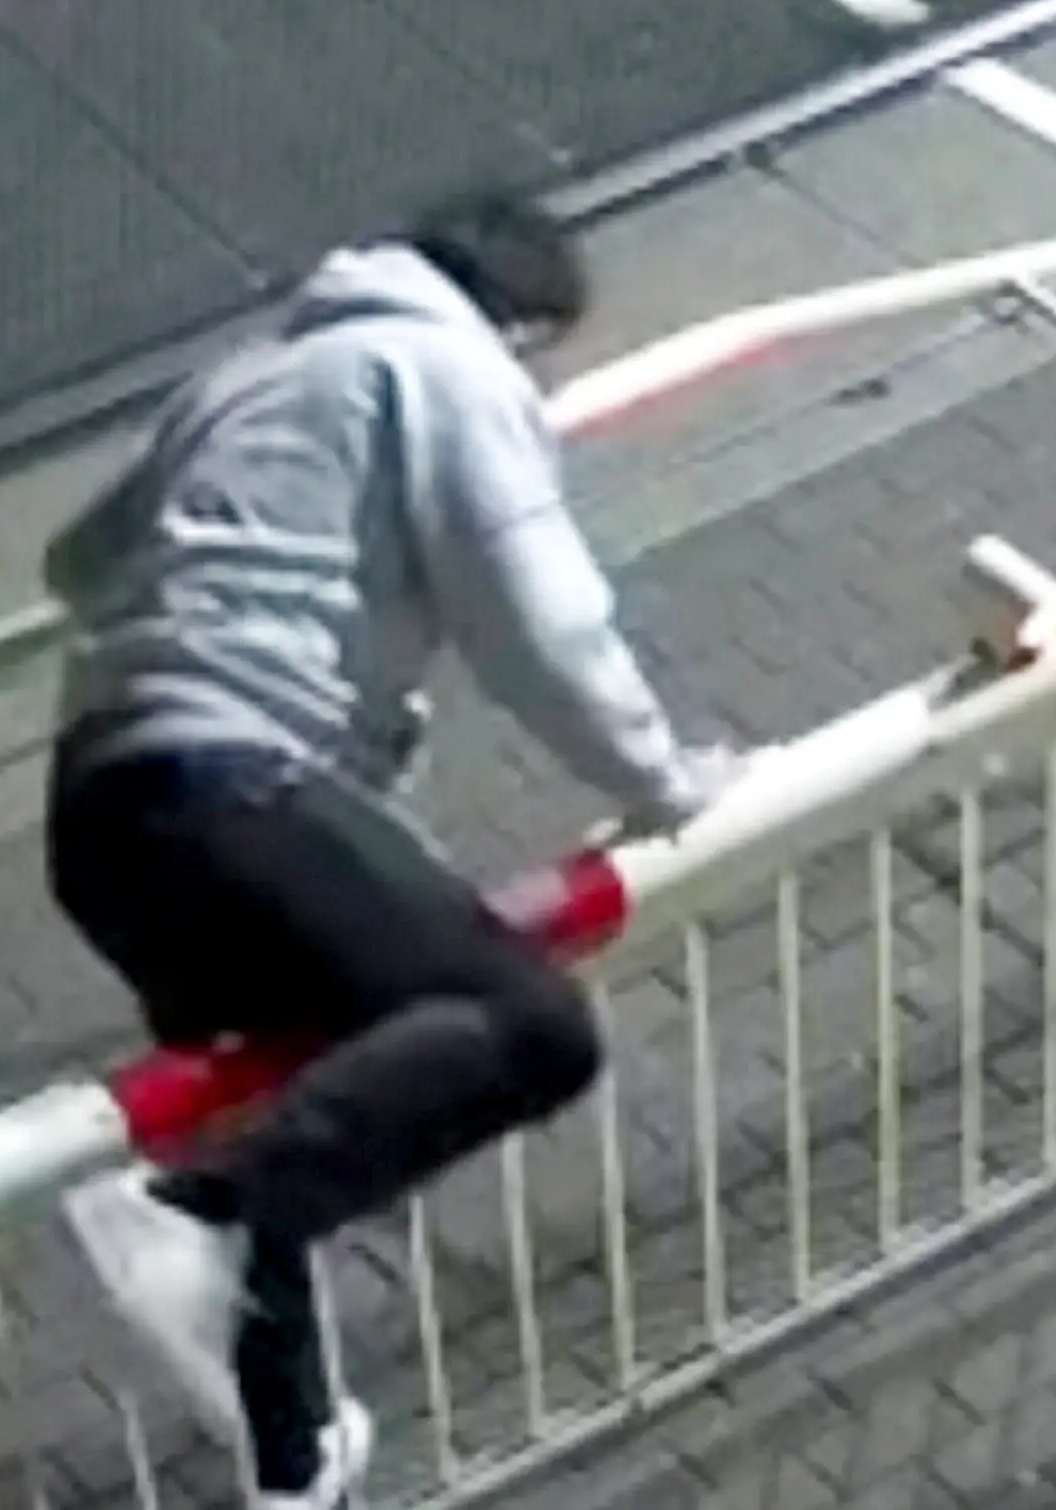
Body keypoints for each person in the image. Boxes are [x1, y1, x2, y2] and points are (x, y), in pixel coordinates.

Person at [40, 191, 740, 1508]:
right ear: (524, 326)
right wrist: (664, 776)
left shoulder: (249, 375)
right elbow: (537, 614)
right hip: (236, 783)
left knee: (292, 1088)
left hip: (104, 806)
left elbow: (76, 563)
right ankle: (190, 1213)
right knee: (523, 1022)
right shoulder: (447, 368)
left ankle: (293, 1452)